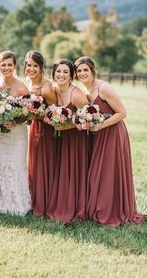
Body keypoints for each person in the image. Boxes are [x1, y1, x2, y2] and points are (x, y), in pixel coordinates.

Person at [74, 56, 146, 226]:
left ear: (92, 71)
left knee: (108, 172)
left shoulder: (103, 88)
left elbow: (122, 113)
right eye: (79, 71)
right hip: (97, 135)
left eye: (86, 70)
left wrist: (100, 126)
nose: (83, 73)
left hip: (112, 133)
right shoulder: (83, 91)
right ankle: (98, 207)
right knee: (96, 172)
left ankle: (111, 210)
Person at [46, 59, 89, 222]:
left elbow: (88, 120)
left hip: (76, 140)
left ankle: (76, 207)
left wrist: (66, 126)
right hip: (60, 140)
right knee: (62, 171)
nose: (61, 75)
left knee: (73, 171)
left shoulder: (77, 94)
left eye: (65, 72)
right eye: (58, 71)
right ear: (53, 74)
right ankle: (61, 202)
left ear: (71, 76)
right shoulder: (53, 90)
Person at [0, 51, 31, 215]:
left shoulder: (21, 87)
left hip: (17, 134)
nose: (7, 67)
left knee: (17, 165)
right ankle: (3, 201)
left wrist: (15, 121)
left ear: (15, 66)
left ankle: (20, 203)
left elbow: (29, 114)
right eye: (3, 64)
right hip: (1, 135)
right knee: (3, 165)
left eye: (10, 64)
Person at [24, 51, 57, 216]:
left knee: (44, 163)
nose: (31, 69)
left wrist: (36, 114)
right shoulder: (27, 83)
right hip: (34, 128)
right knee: (34, 163)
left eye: (35, 66)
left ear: (41, 67)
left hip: (46, 130)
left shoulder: (46, 87)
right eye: (28, 65)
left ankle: (45, 203)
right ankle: (34, 198)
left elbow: (55, 112)